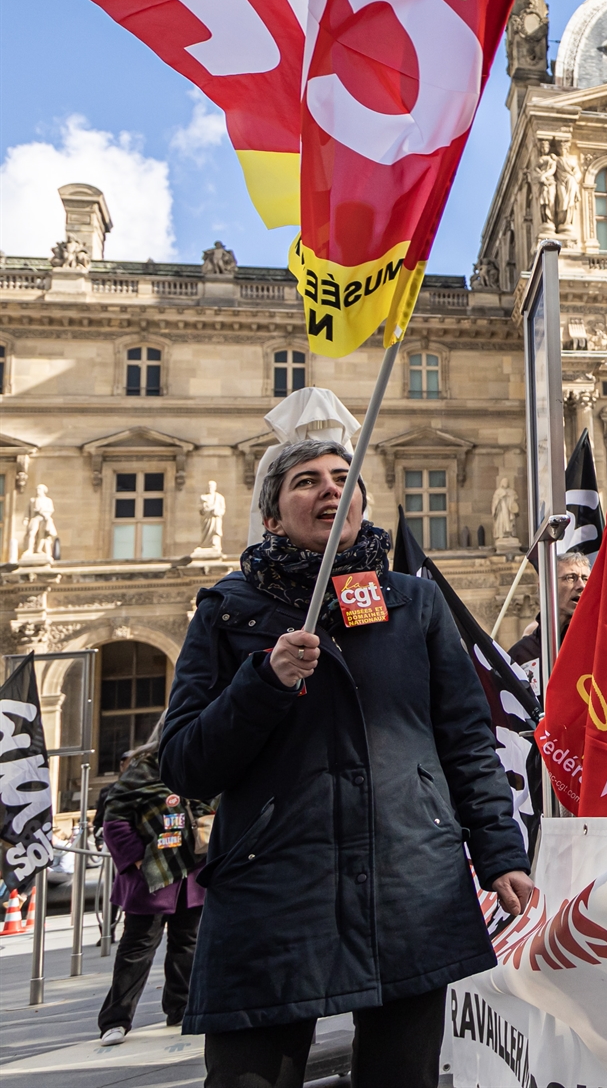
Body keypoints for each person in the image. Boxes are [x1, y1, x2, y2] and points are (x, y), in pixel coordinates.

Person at [160, 439, 532, 1086]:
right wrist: (263, 681)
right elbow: (185, 763)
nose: (331, 488)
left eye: (345, 477)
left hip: (407, 885)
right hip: (273, 896)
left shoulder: (413, 603)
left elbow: (468, 740)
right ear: (271, 515)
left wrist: (500, 851)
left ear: (362, 498)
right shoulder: (226, 610)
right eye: (307, 480)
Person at [96, 723, 206, 1045]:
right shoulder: (142, 770)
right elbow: (113, 820)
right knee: (138, 947)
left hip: (192, 874)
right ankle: (115, 1019)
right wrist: (137, 860)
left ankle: (181, 1007)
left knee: (188, 943)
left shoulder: (200, 763)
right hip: (152, 877)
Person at [508, 551, 590, 667]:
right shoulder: (521, 655)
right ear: (546, 585)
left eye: (586, 579)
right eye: (571, 578)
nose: (581, 586)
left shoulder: (598, 647)